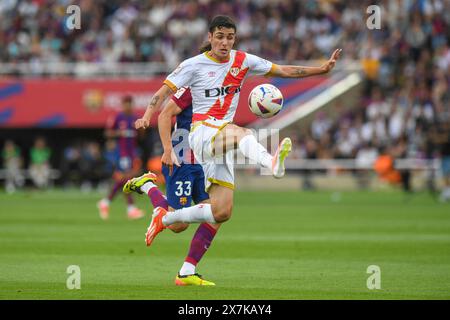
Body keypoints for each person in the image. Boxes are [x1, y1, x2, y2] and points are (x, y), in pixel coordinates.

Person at [127, 15, 341, 284]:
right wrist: (147, 114)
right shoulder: (193, 66)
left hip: (221, 138)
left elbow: (283, 71)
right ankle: (271, 162)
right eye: (219, 36)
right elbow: (161, 95)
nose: (225, 42)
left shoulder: (243, 61)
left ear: (234, 39)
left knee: (221, 212)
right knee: (244, 134)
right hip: (201, 133)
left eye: (229, 37)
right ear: (209, 37)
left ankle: (168, 226)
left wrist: (320, 70)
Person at [124, 87, 219, 286]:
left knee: (216, 213)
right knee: (178, 225)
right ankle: (148, 185)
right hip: (182, 161)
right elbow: (165, 113)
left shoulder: (221, 87)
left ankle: (186, 272)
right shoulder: (192, 87)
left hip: (204, 162)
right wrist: (168, 149)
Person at [97, 95, 144, 220]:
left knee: (125, 179)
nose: (128, 106)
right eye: (126, 103)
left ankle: (106, 202)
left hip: (132, 152)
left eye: (130, 103)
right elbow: (107, 132)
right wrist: (119, 133)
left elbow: (141, 135)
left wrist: (142, 128)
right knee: (127, 178)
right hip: (123, 153)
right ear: (123, 105)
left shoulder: (135, 118)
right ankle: (131, 208)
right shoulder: (118, 117)